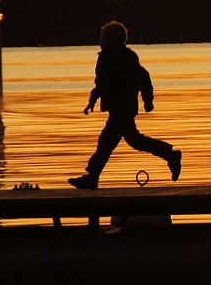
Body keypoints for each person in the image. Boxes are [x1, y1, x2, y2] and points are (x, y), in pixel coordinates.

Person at [69, 21, 182, 190]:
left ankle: (92, 177)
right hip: (123, 107)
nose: (100, 40)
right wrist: (92, 101)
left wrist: (148, 100)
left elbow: (105, 83)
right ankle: (169, 154)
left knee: (108, 142)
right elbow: (141, 77)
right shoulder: (126, 56)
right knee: (128, 141)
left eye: (102, 37)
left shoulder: (110, 58)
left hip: (121, 107)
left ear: (108, 40)